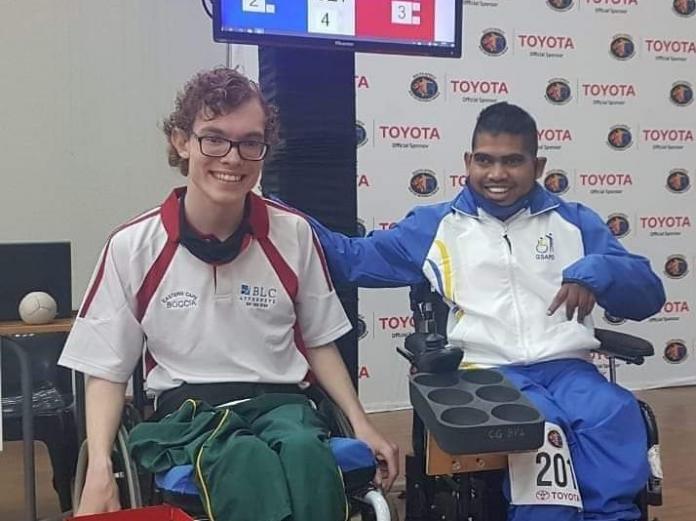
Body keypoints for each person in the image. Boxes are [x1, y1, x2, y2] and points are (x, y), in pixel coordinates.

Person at [58, 67, 398, 521]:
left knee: (303, 450)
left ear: (264, 150)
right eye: (214, 139)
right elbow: (105, 367)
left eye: (250, 142)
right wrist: (100, 465)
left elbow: (318, 342)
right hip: (189, 414)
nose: (233, 158)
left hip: (285, 405)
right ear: (182, 141)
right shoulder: (133, 246)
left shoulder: (292, 233)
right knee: (243, 459)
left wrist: (361, 423)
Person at [304, 102, 666, 521]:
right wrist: (280, 216)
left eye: (513, 161)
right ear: (467, 162)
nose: (497, 174)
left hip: (569, 369)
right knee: (540, 430)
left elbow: (648, 294)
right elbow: (351, 259)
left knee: (613, 412)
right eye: (485, 160)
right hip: (489, 374)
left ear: (537, 164)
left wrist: (600, 270)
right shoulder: (435, 226)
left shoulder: (575, 222)